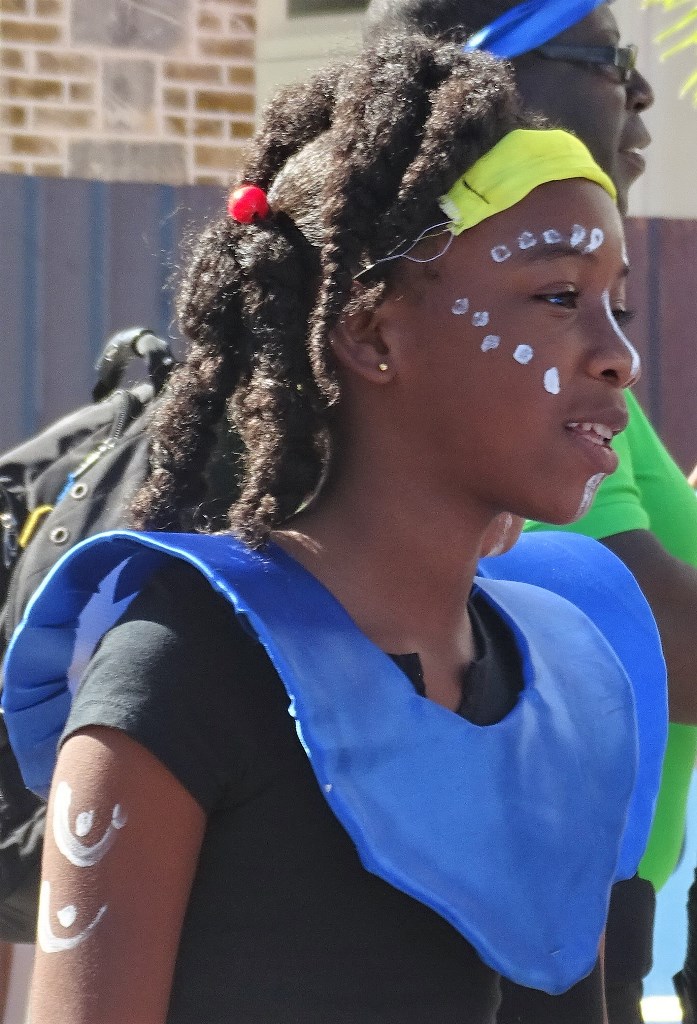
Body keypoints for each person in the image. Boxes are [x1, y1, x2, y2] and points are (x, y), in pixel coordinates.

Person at [1, 32, 666, 1024]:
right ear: (369, 331)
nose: (617, 358)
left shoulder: (575, 674)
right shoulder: (181, 665)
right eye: (558, 297)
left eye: (617, 307)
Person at [364, 1, 697, 1022]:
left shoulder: (575, 377)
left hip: (579, 897)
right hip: (526, 894)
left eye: (614, 300)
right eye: (608, 62)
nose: (643, 97)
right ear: (486, 74)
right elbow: (653, 639)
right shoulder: (505, 395)